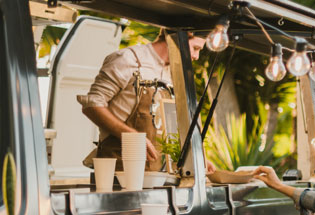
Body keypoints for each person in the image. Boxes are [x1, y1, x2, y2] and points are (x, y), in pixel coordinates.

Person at [78, 29, 215, 173]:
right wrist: (132, 136)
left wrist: (197, 158)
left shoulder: (173, 73)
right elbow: (92, 104)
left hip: (157, 175)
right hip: (118, 173)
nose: (196, 56)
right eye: (195, 48)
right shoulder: (128, 59)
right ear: (177, 39)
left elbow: (172, 127)